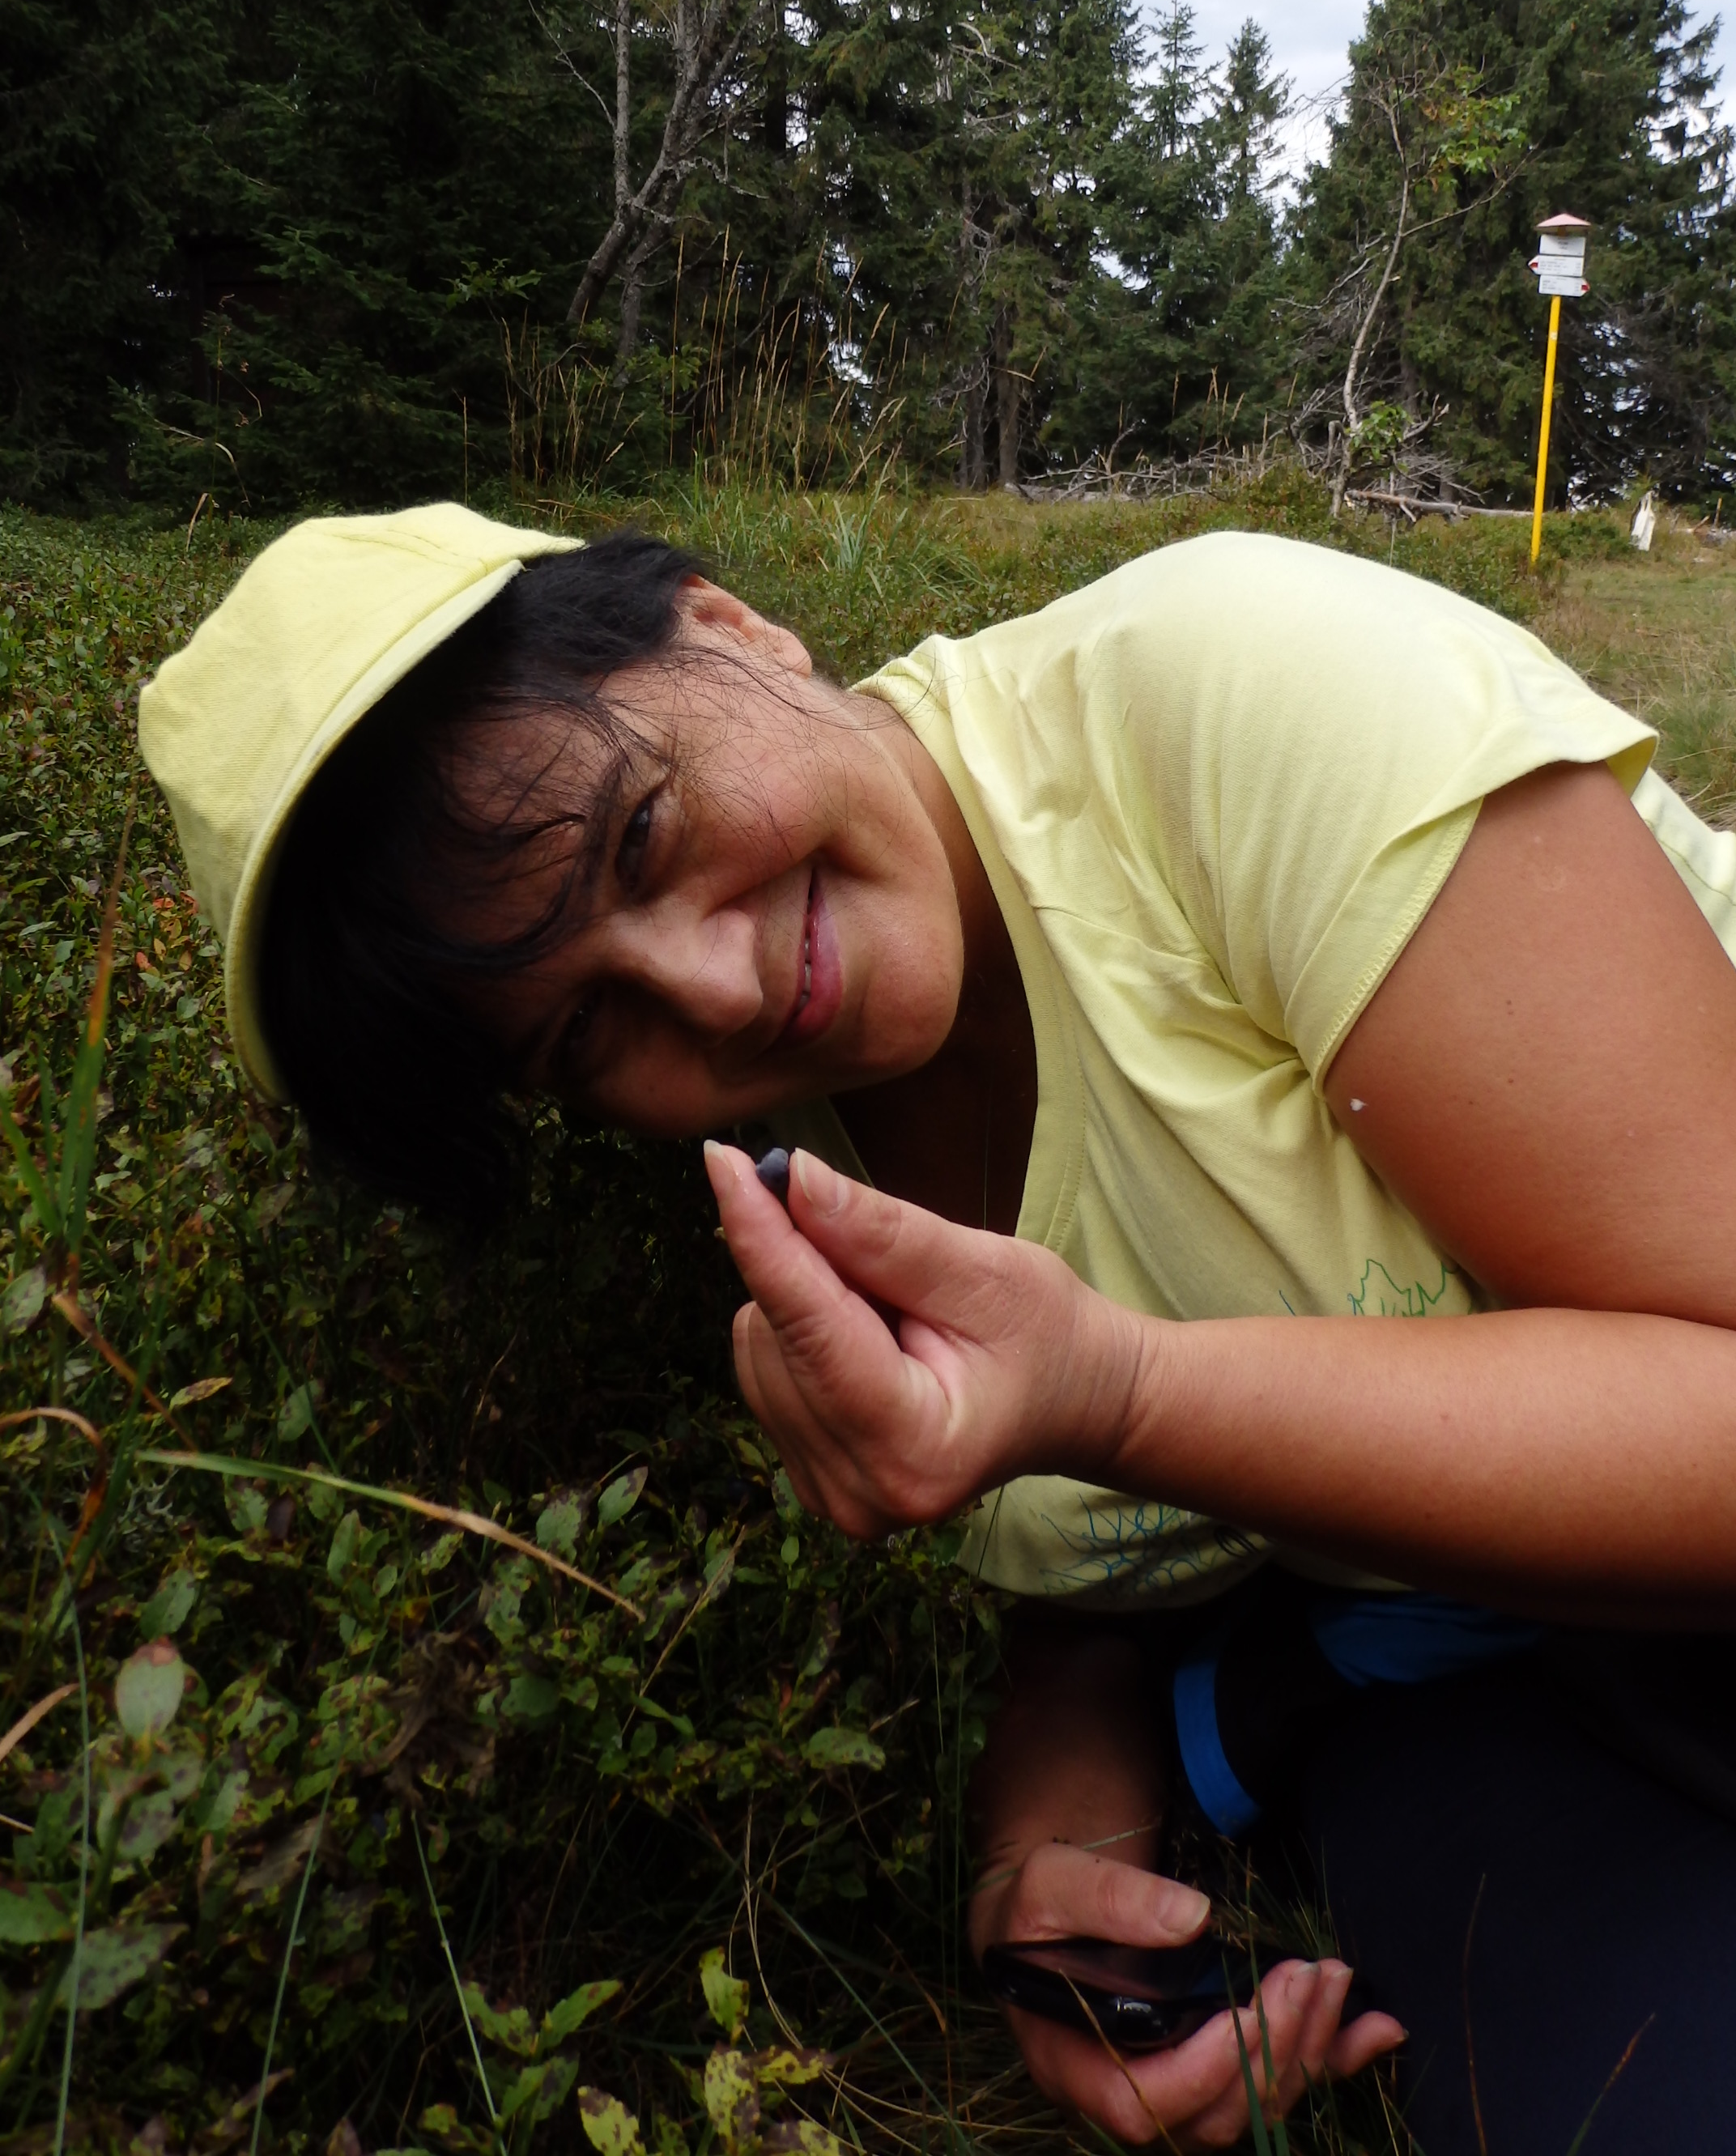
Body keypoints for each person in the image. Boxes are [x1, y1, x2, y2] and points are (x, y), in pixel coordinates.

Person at [140, 500, 1736, 2154]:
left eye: (640, 835)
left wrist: (1118, 1392)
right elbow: (1099, 1589)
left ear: (729, 627)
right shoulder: (784, 1159)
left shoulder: (1235, 700)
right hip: (1473, 1659)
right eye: (585, 1029)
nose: (715, 992)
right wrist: (1048, 1849)